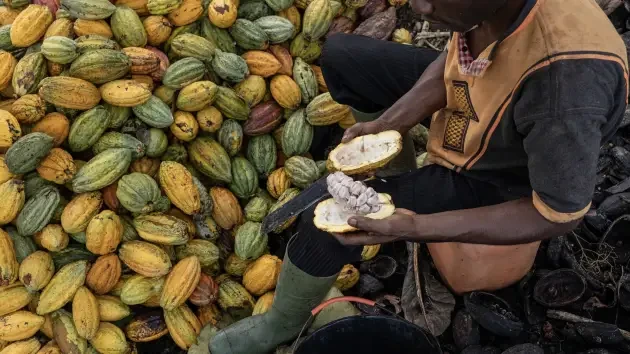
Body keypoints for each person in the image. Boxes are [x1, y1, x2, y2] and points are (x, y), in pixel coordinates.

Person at [209, 0, 629, 353]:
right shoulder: (483, 9)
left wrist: (414, 226)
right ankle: (395, 167)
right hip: (481, 107)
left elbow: (557, 213)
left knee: (324, 223)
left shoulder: (564, 88)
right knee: (342, 58)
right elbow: (454, 67)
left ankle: (279, 324)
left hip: (498, 173)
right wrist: (390, 126)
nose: (418, 6)